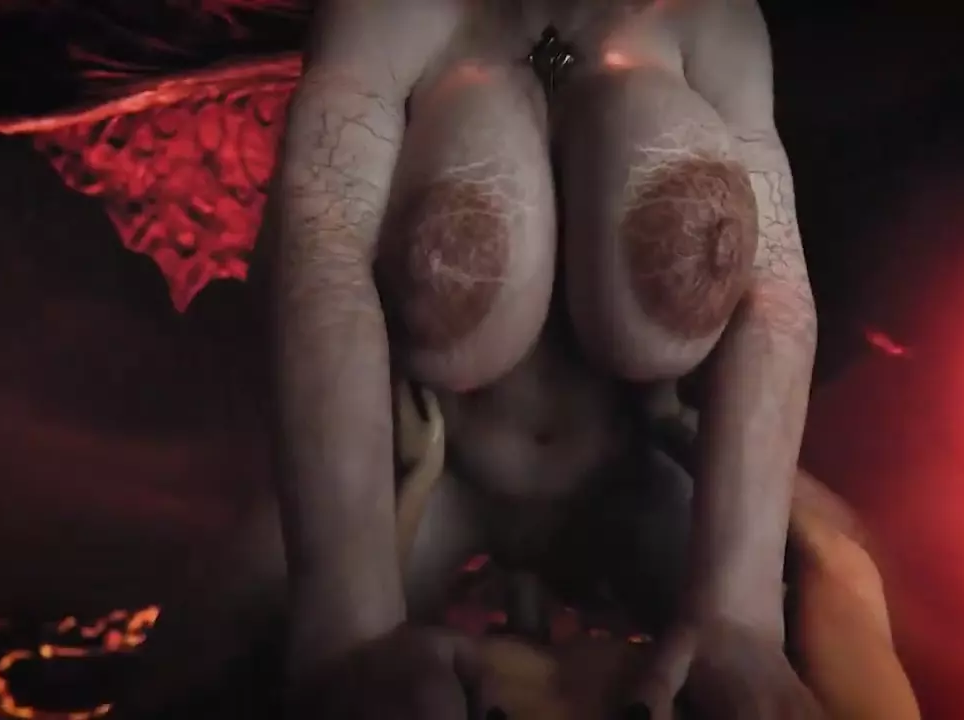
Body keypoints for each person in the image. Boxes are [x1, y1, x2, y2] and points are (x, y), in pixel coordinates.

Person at [274, 1, 818, 717]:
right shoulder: (388, 14)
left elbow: (774, 296)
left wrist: (742, 615)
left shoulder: (714, 19)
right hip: (438, 484)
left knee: (823, 658)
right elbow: (319, 255)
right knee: (205, 673)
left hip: (642, 483)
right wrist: (349, 625)